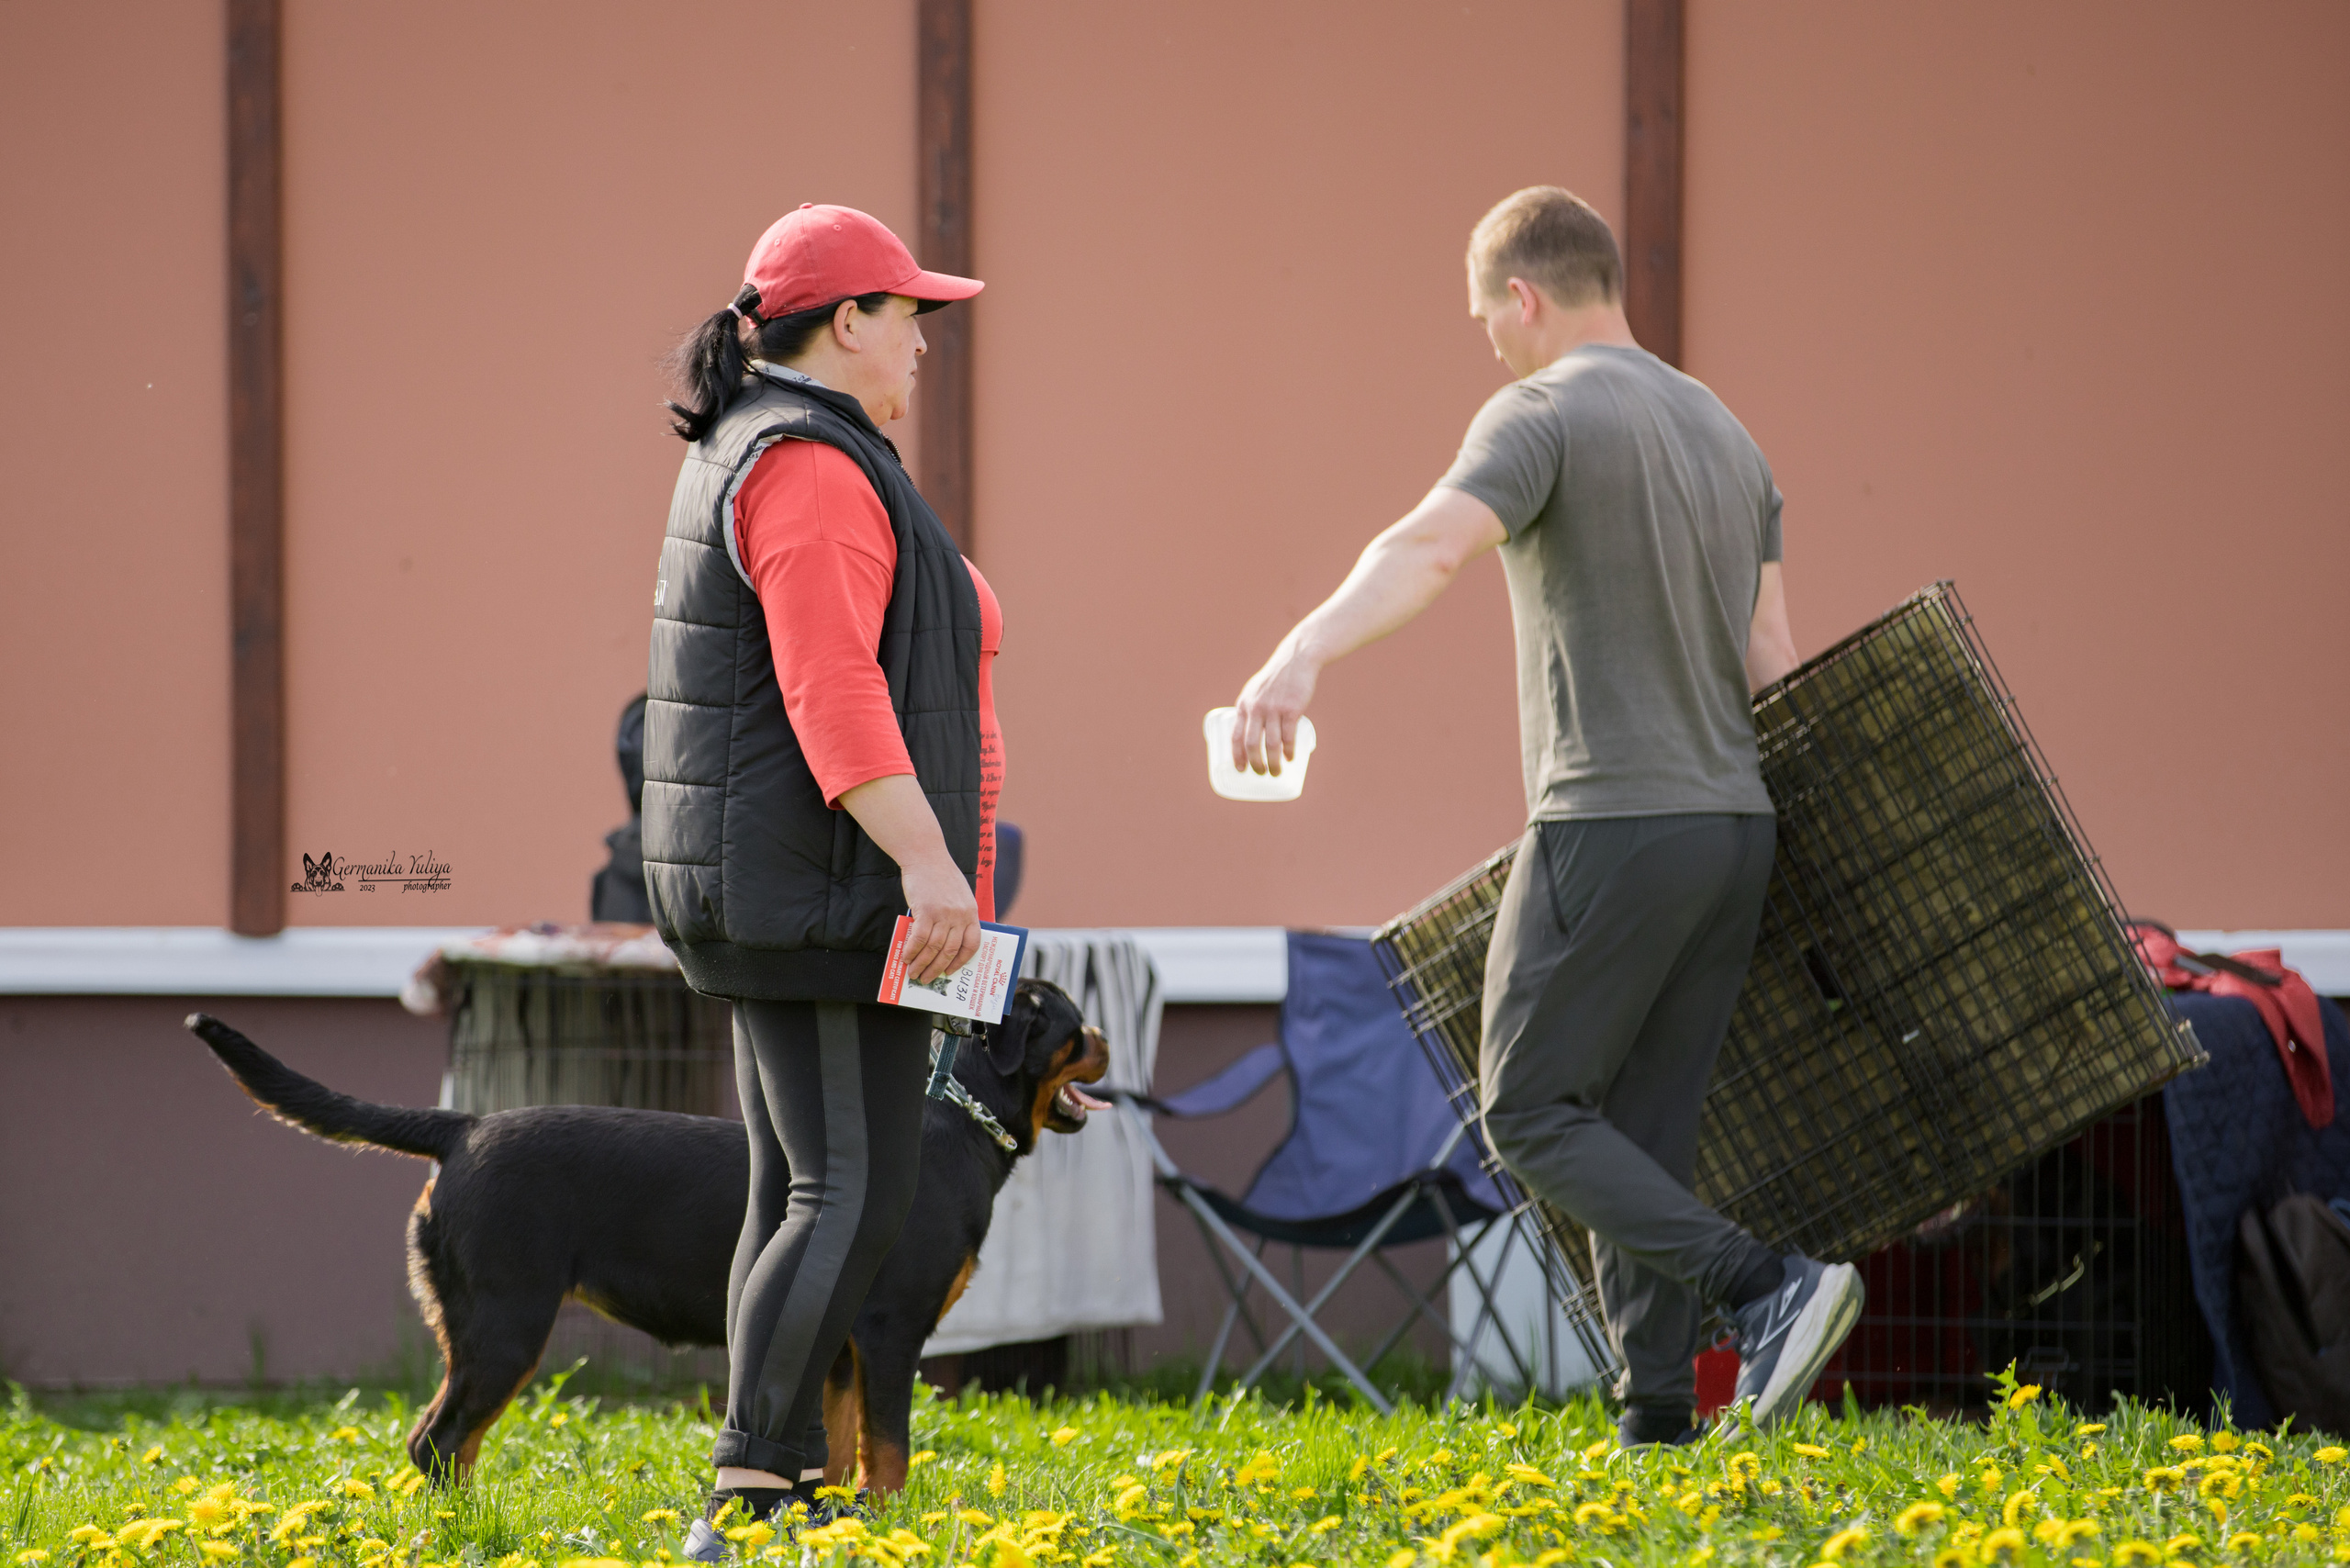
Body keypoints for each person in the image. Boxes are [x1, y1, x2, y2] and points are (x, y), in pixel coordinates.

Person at [1227, 186, 1862, 1444]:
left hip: (1611, 820)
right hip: (1734, 827)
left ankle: (1766, 1288)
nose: (1493, 347)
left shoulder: (1542, 409)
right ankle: (1659, 1419)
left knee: (1522, 1108)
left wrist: (1297, 655)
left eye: (1487, 321)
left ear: (1525, 295)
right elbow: (1774, 657)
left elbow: (1428, 549)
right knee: (1643, 1133)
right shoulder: (1729, 435)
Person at [640, 204, 997, 1546]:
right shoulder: (806, 464)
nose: (923, 344)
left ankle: (776, 1470)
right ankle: (747, 1485)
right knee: (855, 1191)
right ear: (846, 322)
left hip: (786, 889)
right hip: (826, 894)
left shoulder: (788, 446)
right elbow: (829, 685)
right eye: (912, 316)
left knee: (795, 1187)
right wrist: (927, 862)